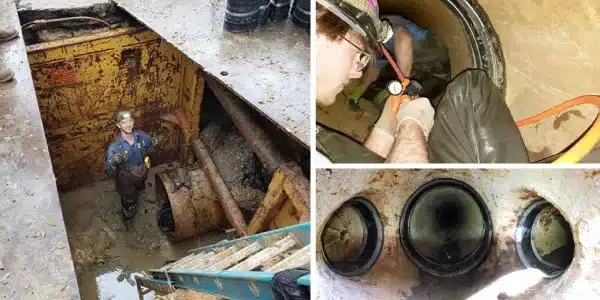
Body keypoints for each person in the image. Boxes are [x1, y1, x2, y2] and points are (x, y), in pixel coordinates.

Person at [316, 0, 529, 163]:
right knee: (472, 89)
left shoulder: (392, 25)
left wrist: (401, 91)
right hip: (418, 76)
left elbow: (404, 40)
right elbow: (372, 71)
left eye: (360, 57)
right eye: (358, 55)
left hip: (434, 66)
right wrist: (410, 128)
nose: (355, 73)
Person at [105, 110, 156, 225]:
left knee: (140, 187)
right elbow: (110, 173)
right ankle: (128, 217)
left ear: (133, 121)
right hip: (126, 179)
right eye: (123, 122)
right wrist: (113, 162)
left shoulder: (141, 136)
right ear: (118, 125)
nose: (128, 125)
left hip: (142, 172)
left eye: (130, 121)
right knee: (129, 200)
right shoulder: (114, 148)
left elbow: (150, 148)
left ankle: (138, 191)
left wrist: (154, 143)